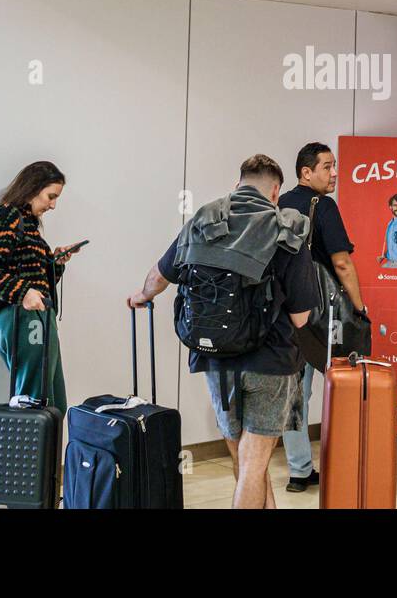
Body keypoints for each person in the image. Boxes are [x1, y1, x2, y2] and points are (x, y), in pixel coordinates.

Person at [130, 154, 316, 509]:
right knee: (254, 464)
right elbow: (301, 318)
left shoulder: (202, 220)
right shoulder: (286, 228)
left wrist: (139, 297)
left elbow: (158, 277)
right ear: (275, 191)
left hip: (215, 359)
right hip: (270, 361)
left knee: (246, 462)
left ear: (237, 185)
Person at [277, 141, 364, 493]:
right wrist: (359, 307)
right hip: (321, 312)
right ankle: (340, 464)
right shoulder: (323, 206)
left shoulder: (279, 205)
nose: (334, 174)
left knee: (295, 391)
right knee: (338, 384)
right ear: (306, 172)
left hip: (284, 311)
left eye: (334, 166)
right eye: (327, 167)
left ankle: (299, 471)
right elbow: (342, 263)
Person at [0, 160, 82, 415]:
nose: (53, 205)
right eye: (50, 196)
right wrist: (23, 293)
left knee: (52, 404)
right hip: (21, 318)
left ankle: (48, 455)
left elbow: (37, 280)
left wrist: (55, 262)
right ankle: (33, 455)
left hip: (37, 318)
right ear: (33, 188)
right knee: (35, 401)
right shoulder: (7, 216)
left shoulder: (29, 225)